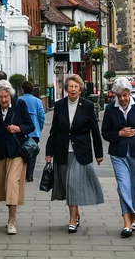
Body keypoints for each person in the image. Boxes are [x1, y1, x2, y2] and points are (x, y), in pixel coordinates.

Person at [45, 74, 105, 234]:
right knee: (67, 186)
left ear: (80, 89)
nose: (73, 89)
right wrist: (48, 151)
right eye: (70, 86)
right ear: (66, 89)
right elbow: (54, 130)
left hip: (80, 152)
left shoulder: (87, 105)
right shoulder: (59, 106)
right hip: (62, 151)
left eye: (76, 87)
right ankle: (76, 214)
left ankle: (71, 220)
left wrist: (99, 153)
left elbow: (95, 130)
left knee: (73, 184)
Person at [101, 77, 135, 238]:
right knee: (123, 186)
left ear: (129, 93)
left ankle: (134, 218)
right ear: (115, 95)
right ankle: (126, 224)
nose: (123, 99)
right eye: (119, 96)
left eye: (125, 95)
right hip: (118, 153)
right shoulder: (110, 109)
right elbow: (105, 132)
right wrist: (119, 133)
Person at [0, 80, 34, 235]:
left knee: (12, 182)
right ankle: (11, 215)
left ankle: (12, 220)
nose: (4, 100)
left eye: (6, 97)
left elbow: (30, 125)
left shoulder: (19, 104)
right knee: (4, 186)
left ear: (10, 95)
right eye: (1, 97)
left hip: (17, 151)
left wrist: (19, 128)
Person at [19, 81, 45, 182]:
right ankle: (29, 174)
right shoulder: (37, 101)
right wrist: (40, 127)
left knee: (21, 151)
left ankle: (22, 172)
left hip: (21, 131)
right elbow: (41, 116)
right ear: (32, 89)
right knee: (32, 152)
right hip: (34, 131)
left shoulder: (18, 100)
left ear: (22, 90)